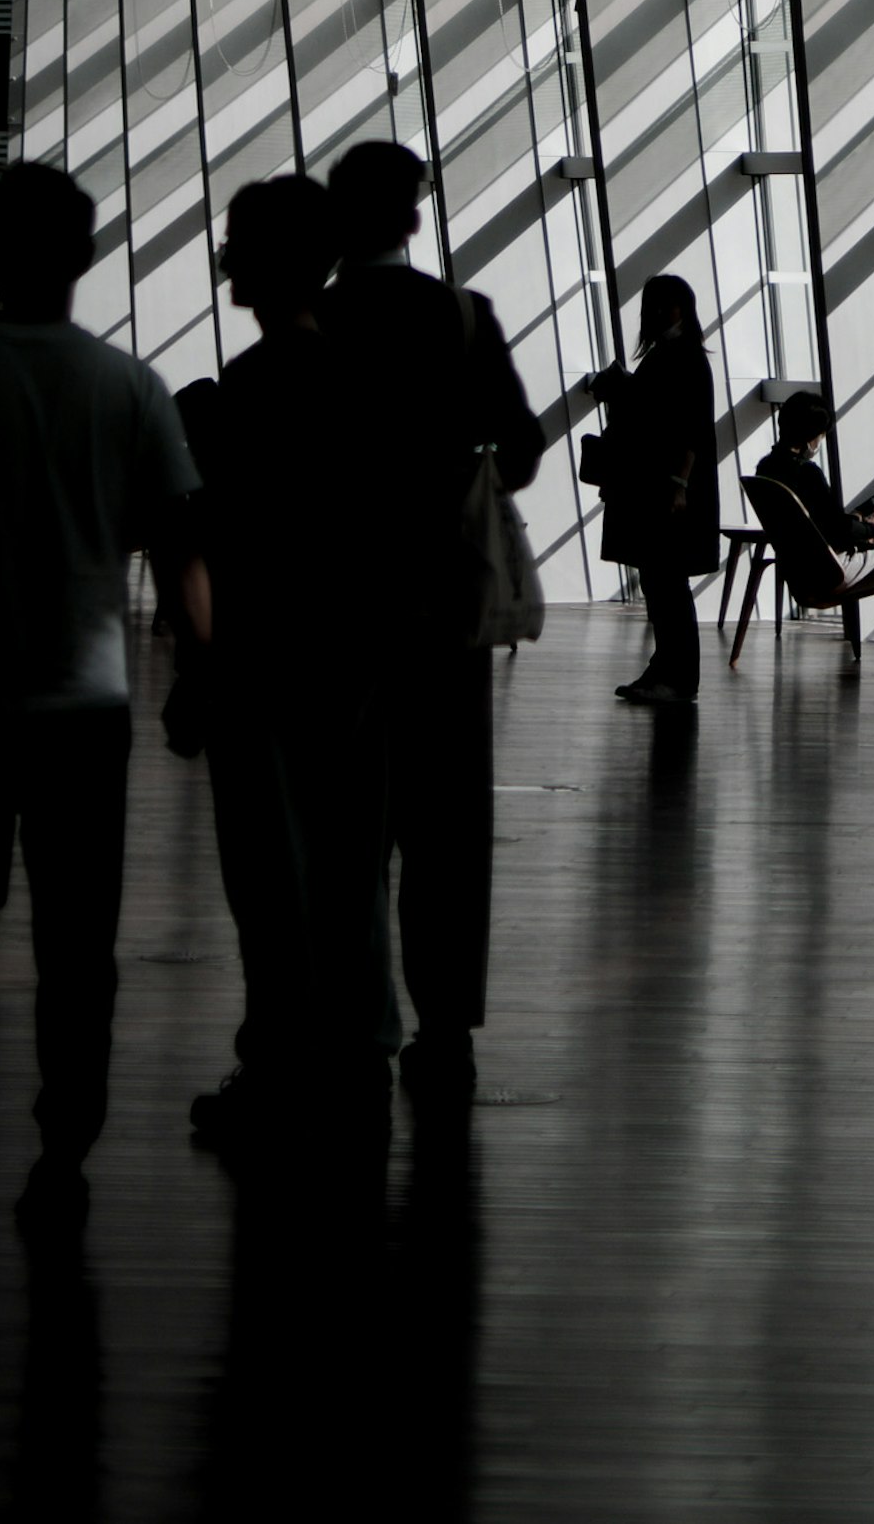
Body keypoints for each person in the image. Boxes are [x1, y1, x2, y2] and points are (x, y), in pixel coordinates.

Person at [0, 157, 208, 1234]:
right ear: (86, 258)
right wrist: (203, 672)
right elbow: (182, 545)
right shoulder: (130, 390)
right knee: (76, 942)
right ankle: (65, 1143)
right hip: (83, 708)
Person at [317, 139, 548, 1101]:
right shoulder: (461, 317)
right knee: (447, 829)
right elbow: (526, 446)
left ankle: (349, 1022)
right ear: (413, 219)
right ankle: (444, 1031)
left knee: (343, 829)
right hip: (444, 614)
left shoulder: (313, 323)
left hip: (333, 617)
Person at [174, 174, 390, 1165]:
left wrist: (196, 673)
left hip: (258, 675)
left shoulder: (246, 394)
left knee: (265, 883)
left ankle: (273, 1070)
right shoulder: (354, 388)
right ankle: (347, 1068)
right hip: (343, 671)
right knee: (343, 876)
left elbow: (215, 550)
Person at [594, 271, 720, 714]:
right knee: (663, 583)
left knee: (666, 584)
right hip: (661, 485)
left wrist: (678, 484)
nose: (657, 312)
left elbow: (688, 430)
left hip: (664, 488)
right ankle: (667, 671)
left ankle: (676, 675)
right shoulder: (679, 355)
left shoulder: (676, 357)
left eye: (663, 304)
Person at [745, 394, 874, 667]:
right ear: (811, 437)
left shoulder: (765, 469)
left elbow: (819, 522)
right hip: (830, 571)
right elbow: (838, 533)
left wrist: (852, 522)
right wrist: (873, 527)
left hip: (800, 571)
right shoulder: (807, 474)